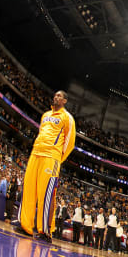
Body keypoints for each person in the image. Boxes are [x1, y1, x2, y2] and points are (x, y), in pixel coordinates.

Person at [16, 90, 76, 242]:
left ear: (65, 101)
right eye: (55, 95)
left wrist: (58, 158)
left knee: (46, 195)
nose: (56, 97)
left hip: (52, 157)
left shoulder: (67, 118)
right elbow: (41, 132)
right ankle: (25, 225)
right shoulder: (45, 115)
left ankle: (45, 230)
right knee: (29, 189)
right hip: (36, 153)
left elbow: (69, 143)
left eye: (60, 96)